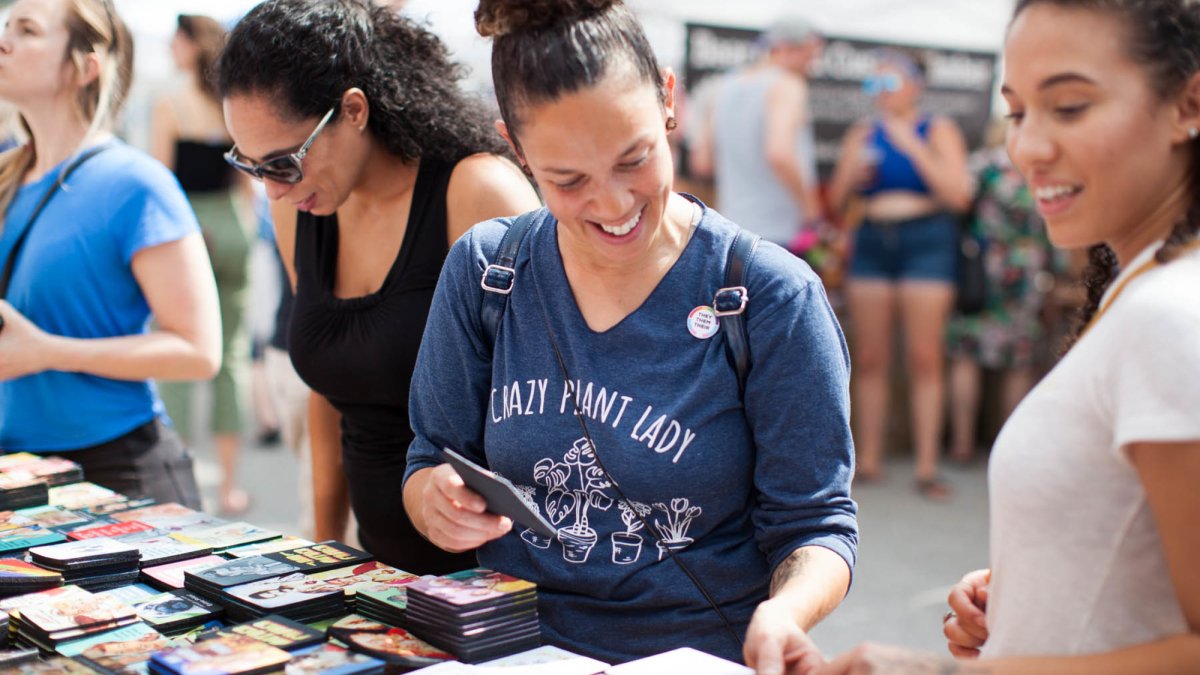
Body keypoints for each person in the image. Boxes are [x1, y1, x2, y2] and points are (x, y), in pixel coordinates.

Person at [402, 0, 857, 669]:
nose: (613, 204)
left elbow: (817, 524)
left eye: (634, 159)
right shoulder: (487, 270)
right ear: (517, 151)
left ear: (669, 100)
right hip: (510, 651)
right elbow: (426, 459)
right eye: (568, 180)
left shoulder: (768, 296)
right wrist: (434, 501)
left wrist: (784, 610)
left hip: (693, 652)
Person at [821, 0, 1200, 673]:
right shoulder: (1138, 290)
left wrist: (946, 672)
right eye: (1018, 111)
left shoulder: (1169, 314)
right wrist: (1029, 592)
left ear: (1189, 104)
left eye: (1070, 107)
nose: (1028, 147)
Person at [216, 0, 538, 573]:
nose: (272, 191)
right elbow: (330, 387)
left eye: (284, 163)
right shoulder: (304, 204)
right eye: (252, 166)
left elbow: (549, 402)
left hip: (492, 574)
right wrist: (322, 546)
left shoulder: (476, 194)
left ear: (354, 110)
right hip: (377, 569)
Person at [0, 0, 218, 507]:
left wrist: (49, 352)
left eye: (27, 30)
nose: (3, 40)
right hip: (18, 473)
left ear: (85, 65)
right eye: (5, 25)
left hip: (114, 475)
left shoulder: (135, 184)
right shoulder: (8, 178)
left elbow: (199, 350)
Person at [827, 48, 971, 499]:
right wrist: (851, 172)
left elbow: (959, 196)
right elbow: (834, 202)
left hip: (926, 243)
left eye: (890, 82)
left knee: (926, 358)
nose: (882, 92)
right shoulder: (862, 132)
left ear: (915, 85)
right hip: (872, 241)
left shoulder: (937, 129)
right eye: (875, 84)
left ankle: (927, 466)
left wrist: (912, 146)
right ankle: (867, 460)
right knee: (869, 357)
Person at [150, 14, 253, 516]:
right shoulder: (229, 103)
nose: (171, 45)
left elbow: (160, 182)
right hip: (232, 228)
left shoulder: (171, 102)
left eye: (176, 37)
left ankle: (179, 476)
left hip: (189, 230)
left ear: (190, 45)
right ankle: (230, 486)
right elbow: (247, 181)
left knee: (175, 352)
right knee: (229, 357)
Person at [945, 122, 1060, 464]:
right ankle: (1009, 447)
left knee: (966, 354)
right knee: (1020, 360)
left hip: (982, 267)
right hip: (1028, 268)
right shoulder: (1043, 167)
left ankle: (962, 443)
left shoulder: (984, 166)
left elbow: (958, 202)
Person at [704, 17, 826, 250]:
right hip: (778, 234)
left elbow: (703, 162)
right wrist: (812, 211)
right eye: (811, 55)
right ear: (787, 48)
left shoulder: (723, 87)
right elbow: (779, 154)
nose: (813, 65)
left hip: (731, 229)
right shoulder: (787, 85)